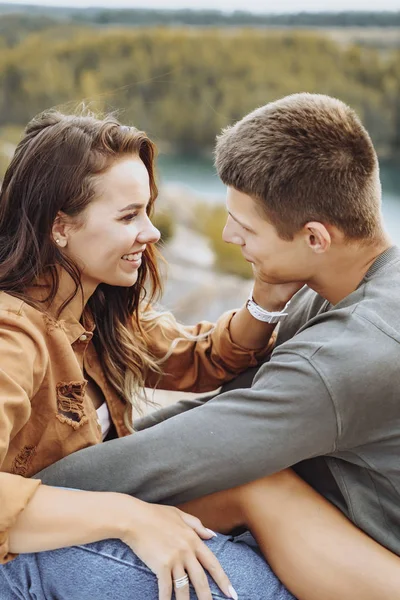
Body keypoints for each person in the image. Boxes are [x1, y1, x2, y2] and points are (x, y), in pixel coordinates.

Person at [34, 93, 400, 599]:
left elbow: (194, 451)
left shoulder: (350, 354)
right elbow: (224, 410)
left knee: (35, 561)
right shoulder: (338, 292)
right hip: (318, 523)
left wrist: (27, 495)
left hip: (367, 566)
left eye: (245, 226)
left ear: (315, 238)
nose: (227, 235)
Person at [0, 109, 299, 600]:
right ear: (60, 227)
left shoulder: (96, 309)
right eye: (127, 216)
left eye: (147, 210)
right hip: (20, 557)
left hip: (79, 529)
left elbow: (203, 357)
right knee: (248, 589)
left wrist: (266, 300)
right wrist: (131, 516)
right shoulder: (13, 334)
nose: (152, 232)